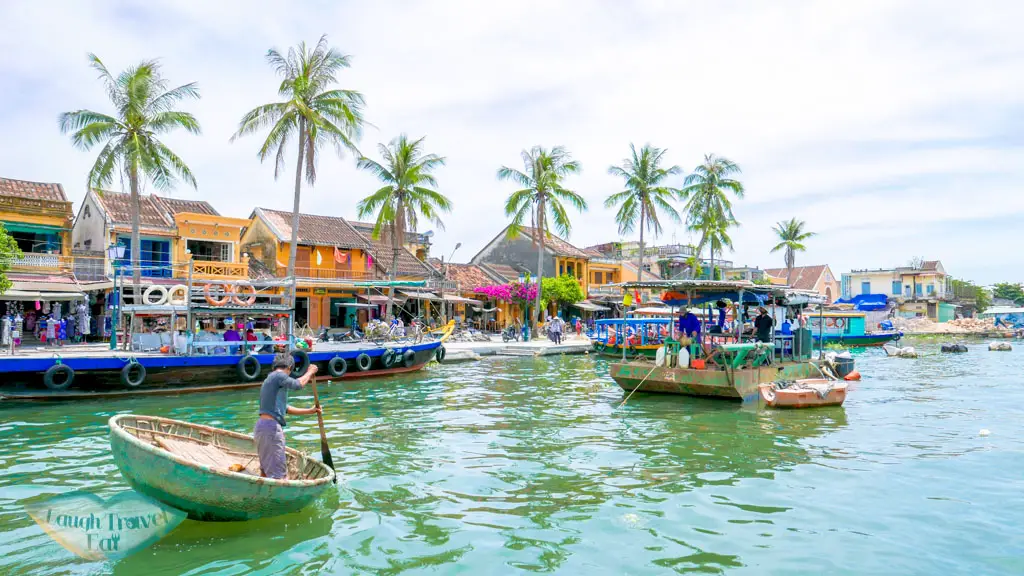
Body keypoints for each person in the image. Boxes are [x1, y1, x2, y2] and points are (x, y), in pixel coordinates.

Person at [253, 354, 321, 479]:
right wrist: (310, 372)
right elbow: (298, 384)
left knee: (265, 472)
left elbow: (285, 408)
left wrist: (310, 411)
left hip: (262, 428)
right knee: (279, 476)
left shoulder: (270, 379)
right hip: (270, 429)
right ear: (290, 367)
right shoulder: (279, 375)